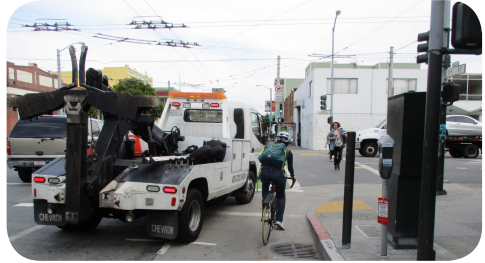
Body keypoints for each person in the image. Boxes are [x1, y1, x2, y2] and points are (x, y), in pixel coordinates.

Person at [258, 131, 296, 231]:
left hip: (264, 172)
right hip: (278, 174)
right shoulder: (287, 151)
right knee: (280, 196)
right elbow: (290, 167)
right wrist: (293, 176)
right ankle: (279, 221)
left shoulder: (268, 146)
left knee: (265, 186)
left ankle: (265, 208)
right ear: (288, 141)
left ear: (276, 139)